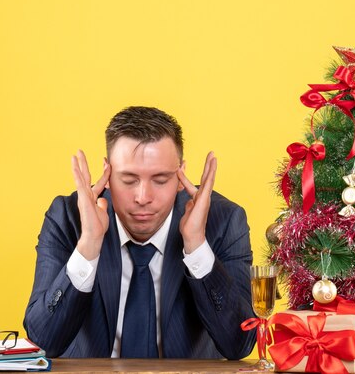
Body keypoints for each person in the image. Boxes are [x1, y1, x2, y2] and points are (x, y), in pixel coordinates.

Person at [23, 106, 256, 359]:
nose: (143, 198)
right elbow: (43, 341)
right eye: (128, 180)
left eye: (160, 180)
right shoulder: (67, 218)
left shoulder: (224, 221)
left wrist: (197, 246)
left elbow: (239, 345)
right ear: (107, 174)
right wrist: (89, 244)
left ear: (180, 177)